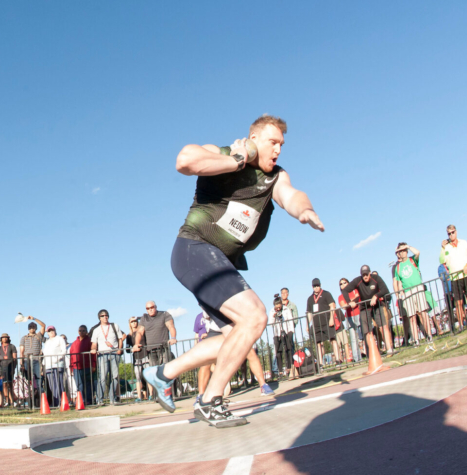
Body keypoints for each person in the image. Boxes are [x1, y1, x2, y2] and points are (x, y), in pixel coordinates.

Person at [143, 115, 324, 428]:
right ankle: (210, 400)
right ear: (253, 137)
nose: (278, 149)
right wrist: (237, 159)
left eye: (282, 144)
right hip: (194, 249)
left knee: (236, 337)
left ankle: (162, 374)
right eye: (272, 142)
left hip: (217, 262)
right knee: (255, 316)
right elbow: (185, 160)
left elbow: (291, 195)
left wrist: (304, 210)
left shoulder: (275, 177)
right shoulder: (224, 154)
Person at [342, 265, 392, 375]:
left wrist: (376, 296)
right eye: (363, 275)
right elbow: (345, 291)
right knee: (367, 331)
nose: (365, 277)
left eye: (367, 274)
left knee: (383, 325)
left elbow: (385, 289)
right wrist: (349, 301)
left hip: (377, 305)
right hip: (365, 307)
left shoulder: (376, 278)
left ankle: (389, 349)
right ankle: (373, 354)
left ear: (370, 273)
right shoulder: (357, 281)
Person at [392, 243, 433, 346]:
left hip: (418, 288)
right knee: (412, 317)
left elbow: (418, 252)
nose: (402, 252)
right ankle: (416, 340)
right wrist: (399, 295)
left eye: (404, 250)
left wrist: (408, 247)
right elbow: (398, 282)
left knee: (423, 313)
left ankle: (429, 336)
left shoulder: (412, 260)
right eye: (400, 251)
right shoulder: (397, 267)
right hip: (407, 293)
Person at [442, 225, 467, 327]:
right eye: (449, 233)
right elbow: (442, 260)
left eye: (453, 232)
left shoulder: (463, 242)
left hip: (466, 274)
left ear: (456, 232)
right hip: (455, 277)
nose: (451, 235)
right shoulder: (447, 247)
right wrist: (442, 248)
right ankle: (462, 325)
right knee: (458, 302)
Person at [90, 309, 124, 405]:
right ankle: (100, 399)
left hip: (114, 353)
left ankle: (113, 398)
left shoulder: (114, 326)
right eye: (102, 315)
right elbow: (94, 343)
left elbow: (120, 338)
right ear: (99, 318)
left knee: (115, 376)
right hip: (102, 355)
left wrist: (119, 349)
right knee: (103, 377)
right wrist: (93, 349)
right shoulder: (96, 330)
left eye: (106, 315)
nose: (105, 317)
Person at [306, 278, 340, 368]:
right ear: (312, 287)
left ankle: (337, 359)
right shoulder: (310, 299)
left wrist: (332, 319)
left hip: (327, 321)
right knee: (318, 343)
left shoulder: (326, 294)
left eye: (317, 286)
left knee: (333, 340)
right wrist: (307, 324)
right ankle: (320, 363)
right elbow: (309, 312)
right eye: (314, 286)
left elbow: (332, 305)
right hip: (317, 324)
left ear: (320, 285)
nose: (316, 288)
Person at [269, 296, 299, 379]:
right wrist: (274, 317)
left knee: (288, 350)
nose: (278, 309)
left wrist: (291, 331)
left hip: (286, 330)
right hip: (277, 333)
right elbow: (270, 324)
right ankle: (280, 371)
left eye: (279, 307)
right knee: (278, 352)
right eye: (277, 307)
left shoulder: (286, 309)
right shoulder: (271, 311)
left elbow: (290, 320)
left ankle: (290, 368)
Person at [337, 278, 363, 362]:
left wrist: (350, 302)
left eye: (345, 283)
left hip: (359, 313)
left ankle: (369, 354)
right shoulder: (340, 297)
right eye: (341, 284)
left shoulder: (354, 290)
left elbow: (358, 297)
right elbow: (343, 306)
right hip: (349, 317)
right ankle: (357, 358)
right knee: (353, 338)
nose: (343, 285)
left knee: (363, 335)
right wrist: (351, 303)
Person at [41, 326, 67, 407]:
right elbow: (45, 354)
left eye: (52, 330)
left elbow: (63, 351)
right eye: (49, 331)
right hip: (48, 366)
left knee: (59, 383)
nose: (51, 332)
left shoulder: (59, 339)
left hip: (57, 365)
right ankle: (55, 402)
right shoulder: (47, 342)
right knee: (52, 385)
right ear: (47, 333)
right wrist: (43, 365)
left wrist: (56, 359)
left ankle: (61, 402)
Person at [68, 325, 93, 404]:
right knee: (79, 384)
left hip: (87, 365)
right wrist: (71, 368)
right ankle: (81, 400)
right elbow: (71, 356)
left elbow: (93, 353)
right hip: (76, 367)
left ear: (86, 332)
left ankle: (89, 400)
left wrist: (94, 364)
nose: (81, 332)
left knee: (88, 383)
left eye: (83, 330)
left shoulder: (90, 341)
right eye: (80, 330)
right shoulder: (74, 343)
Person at [19, 316, 46, 386]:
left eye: (33, 327)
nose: (32, 328)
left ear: (36, 328)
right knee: (27, 380)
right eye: (30, 327)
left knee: (38, 379)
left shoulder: (39, 336)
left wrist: (34, 318)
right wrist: (21, 363)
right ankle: (30, 395)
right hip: (26, 360)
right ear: (28, 329)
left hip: (37, 359)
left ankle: (39, 395)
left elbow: (43, 325)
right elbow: (21, 351)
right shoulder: (24, 338)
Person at [126, 317, 148, 402]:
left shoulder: (143, 331)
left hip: (145, 356)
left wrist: (138, 317)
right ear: (130, 324)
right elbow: (127, 349)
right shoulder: (129, 336)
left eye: (135, 321)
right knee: (138, 377)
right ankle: (139, 396)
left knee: (147, 376)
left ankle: (150, 395)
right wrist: (133, 349)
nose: (134, 323)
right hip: (136, 358)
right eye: (132, 321)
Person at [0, 333, 17, 407]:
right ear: (1, 339)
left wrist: (13, 368)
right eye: (3, 337)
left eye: (6, 337)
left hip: (10, 367)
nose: (5, 339)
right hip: (2, 368)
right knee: (4, 384)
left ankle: (12, 401)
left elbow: (15, 358)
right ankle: (7, 400)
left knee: (10, 384)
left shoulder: (12, 346)